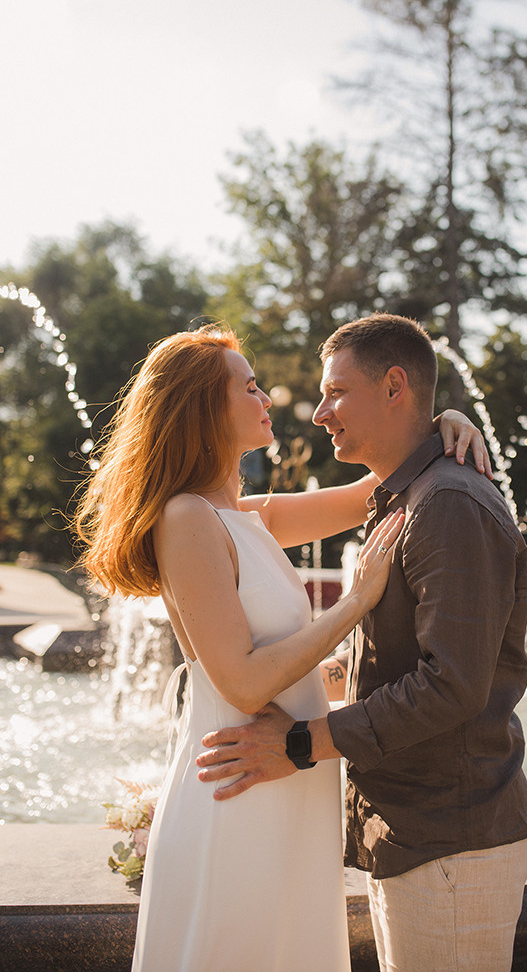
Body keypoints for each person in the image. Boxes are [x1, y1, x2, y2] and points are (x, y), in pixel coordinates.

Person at [74, 323, 490, 972]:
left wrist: (443, 420)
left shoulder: (247, 515)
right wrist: (355, 603)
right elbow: (241, 683)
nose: (266, 397)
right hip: (241, 786)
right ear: (205, 409)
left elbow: (375, 489)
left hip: (285, 776)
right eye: (249, 387)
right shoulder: (187, 518)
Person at [197, 314, 527, 972]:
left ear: (393, 387)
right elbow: (403, 658)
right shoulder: (406, 495)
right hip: (418, 832)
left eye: (336, 392)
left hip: (449, 838)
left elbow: (450, 686)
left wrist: (300, 744)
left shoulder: (446, 503)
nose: (318, 412)